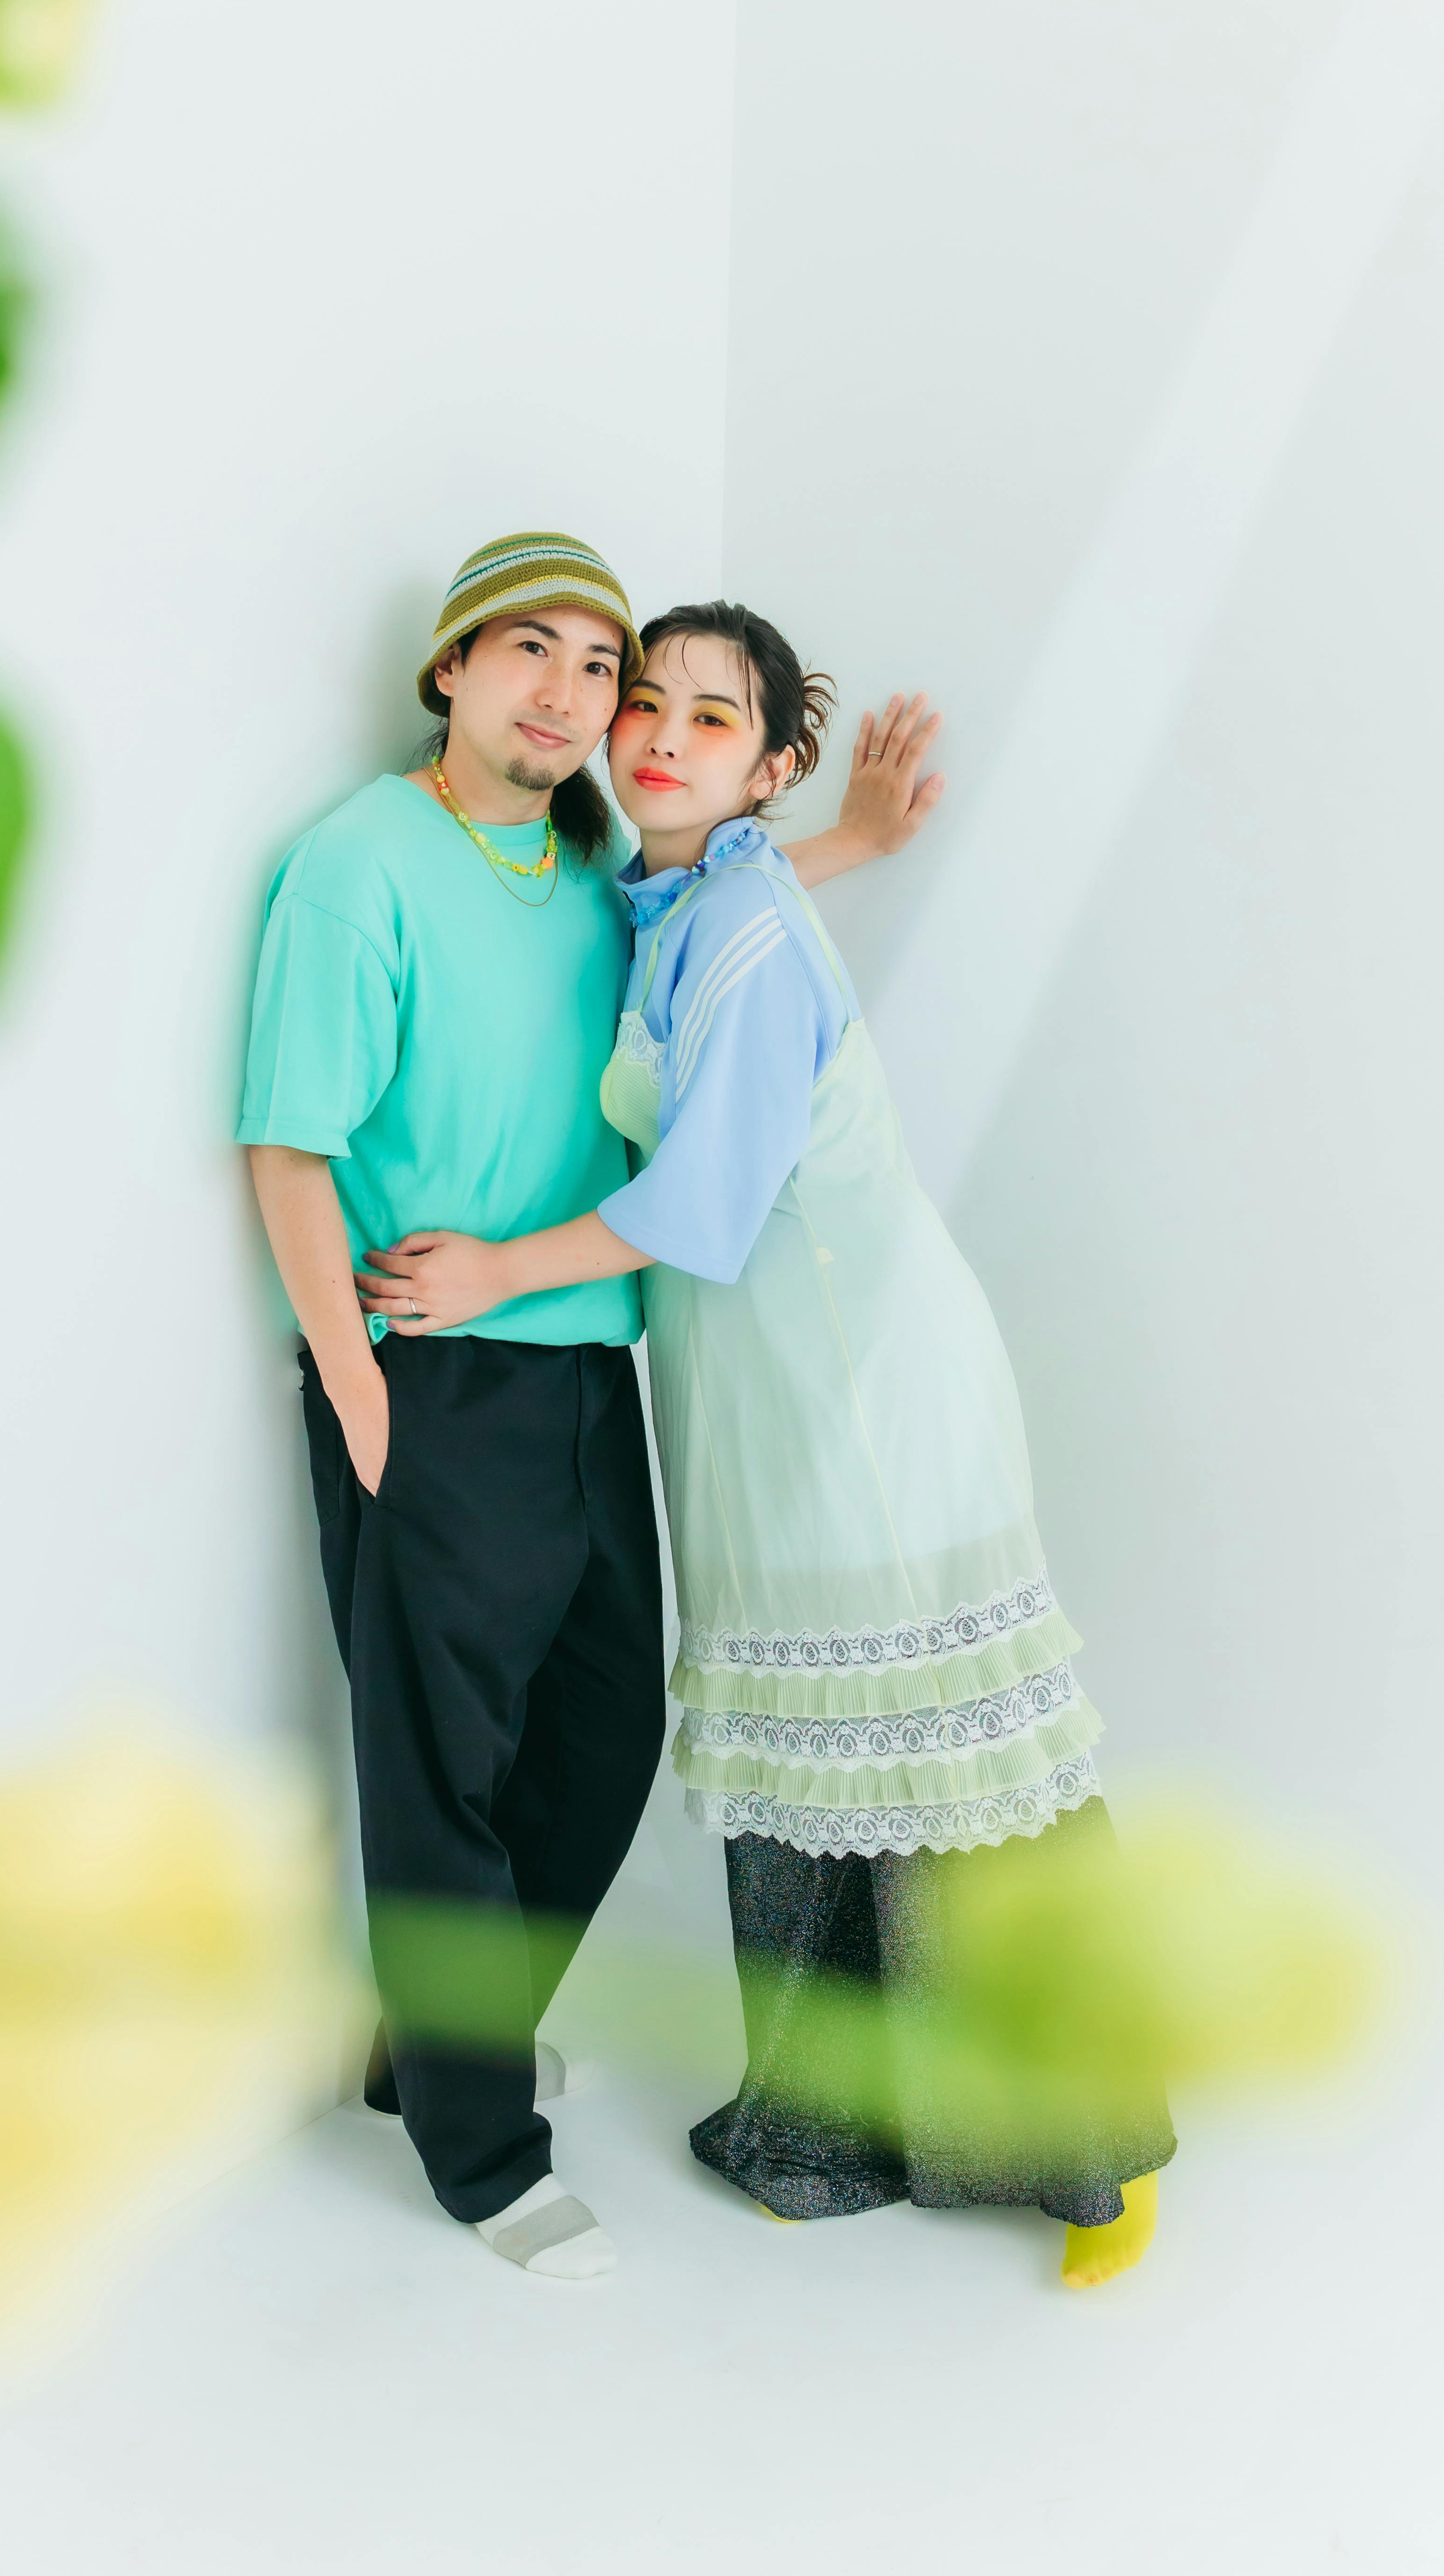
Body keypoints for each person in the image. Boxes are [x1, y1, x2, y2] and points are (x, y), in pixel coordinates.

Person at [356, 599, 1177, 2289]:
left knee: (945, 1761)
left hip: (863, 1392)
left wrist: (497, 1269)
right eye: (644, 701)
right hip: (762, 1396)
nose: (659, 734)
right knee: (819, 1760)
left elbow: (705, 1201)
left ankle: (1097, 2146)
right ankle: (829, 2127)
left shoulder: (741, 932)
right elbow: (714, 907)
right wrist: (850, 840)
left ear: (770, 760)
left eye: (712, 718)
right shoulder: (679, 894)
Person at [239, 537, 939, 2281]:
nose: (569, 695)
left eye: (598, 667)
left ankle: (434, 2047)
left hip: (586, 1364)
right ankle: (482, 2155)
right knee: (439, 1773)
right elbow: (288, 1147)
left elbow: (708, 915)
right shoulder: (358, 865)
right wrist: (356, 1386)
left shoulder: (579, 861)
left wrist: (851, 843)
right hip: (430, 1377)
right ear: (451, 670)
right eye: (528, 653)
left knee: (606, 1732)